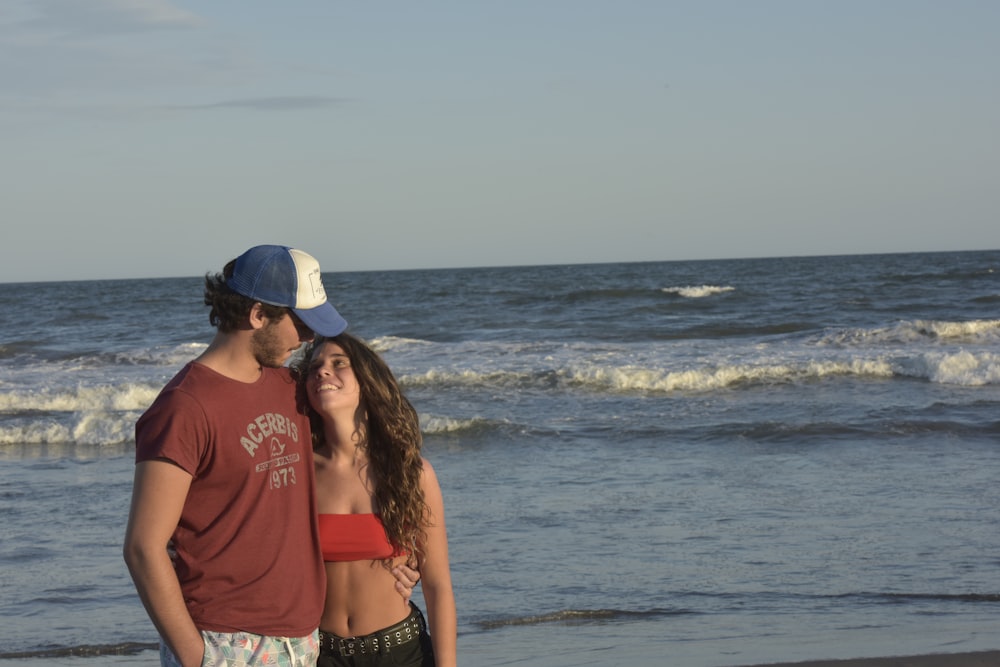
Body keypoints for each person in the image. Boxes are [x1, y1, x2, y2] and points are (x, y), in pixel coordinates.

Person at [123, 245, 418, 667]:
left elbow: (355, 457)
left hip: (304, 641)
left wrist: (404, 557)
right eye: (301, 323)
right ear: (258, 314)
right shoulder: (183, 408)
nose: (310, 338)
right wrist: (197, 657)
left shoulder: (291, 388)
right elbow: (142, 547)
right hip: (224, 642)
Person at [295, 333, 456, 667]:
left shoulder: (412, 473)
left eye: (339, 363)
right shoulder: (296, 472)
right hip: (319, 655)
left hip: (403, 652)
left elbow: (437, 586)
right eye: (314, 367)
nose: (323, 372)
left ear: (368, 381)